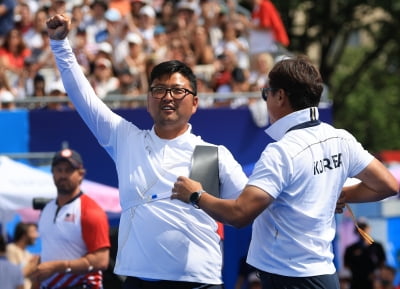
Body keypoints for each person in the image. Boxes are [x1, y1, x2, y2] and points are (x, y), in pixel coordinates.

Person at [46, 14, 248, 289]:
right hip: (138, 280)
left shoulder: (212, 154)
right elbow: (84, 98)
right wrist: (60, 45)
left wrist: (199, 197)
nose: (167, 96)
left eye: (178, 90)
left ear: (195, 103)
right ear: (148, 100)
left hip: (198, 282)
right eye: (159, 90)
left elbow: (246, 210)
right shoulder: (126, 139)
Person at [171, 56, 399, 289]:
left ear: (280, 96)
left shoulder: (282, 152)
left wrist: (196, 195)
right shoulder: (341, 138)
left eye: (265, 93)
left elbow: (240, 215)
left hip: (289, 280)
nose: (265, 99)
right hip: (324, 275)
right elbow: (388, 185)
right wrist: (344, 195)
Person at [30, 148, 111, 289]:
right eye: (59, 170)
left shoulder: (90, 210)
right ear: (52, 173)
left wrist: (56, 267)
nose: (63, 175)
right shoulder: (47, 210)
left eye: (68, 170)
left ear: (81, 174)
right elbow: (50, 253)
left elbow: (101, 261)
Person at [344, 219, 387, 289]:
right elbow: (346, 266)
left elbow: (382, 263)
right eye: (359, 228)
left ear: (369, 228)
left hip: (373, 284)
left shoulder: (377, 246)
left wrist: (377, 276)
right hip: (356, 283)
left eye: (364, 227)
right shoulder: (350, 249)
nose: (362, 231)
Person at [6, 222, 40, 289]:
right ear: (24, 235)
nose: (37, 235)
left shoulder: (28, 254)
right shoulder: (10, 249)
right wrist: (32, 265)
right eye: (33, 232)